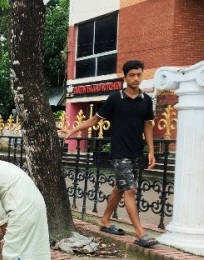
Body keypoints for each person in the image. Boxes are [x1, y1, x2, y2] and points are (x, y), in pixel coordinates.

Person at [63, 60, 158, 248]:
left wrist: (151, 151)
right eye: (132, 75)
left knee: (120, 188)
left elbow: (148, 126)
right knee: (130, 189)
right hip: (119, 152)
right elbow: (94, 120)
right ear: (125, 77)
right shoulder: (115, 99)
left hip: (136, 152)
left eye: (139, 74)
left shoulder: (146, 100)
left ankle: (105, 220)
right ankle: (140, 234)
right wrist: (73, 131)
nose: (136, 78)